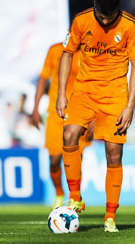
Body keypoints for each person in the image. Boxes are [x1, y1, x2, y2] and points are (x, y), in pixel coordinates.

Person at [56, 0, 135, 233]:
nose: (105, 21)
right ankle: (75, 196)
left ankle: (110, 216)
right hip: (84, 92)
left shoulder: (130, 25)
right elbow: (67, 54)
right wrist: (61, 93)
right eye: (101, 16)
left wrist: (130, 106)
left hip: (115, 95)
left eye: (110, 17)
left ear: (118, 10)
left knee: (113, 153)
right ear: (94, 6)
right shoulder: (81, 21)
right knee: (69, 134)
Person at [31, 42, 94, 209]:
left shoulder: (90, 52)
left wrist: (95, 118)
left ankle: (76, 197)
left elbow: (95, 86)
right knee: (54, 159)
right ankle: (59, 193)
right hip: (56, 112)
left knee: (76, 159)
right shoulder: (55, 50)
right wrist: (35, 108)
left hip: (80, 113)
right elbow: (43, 79)